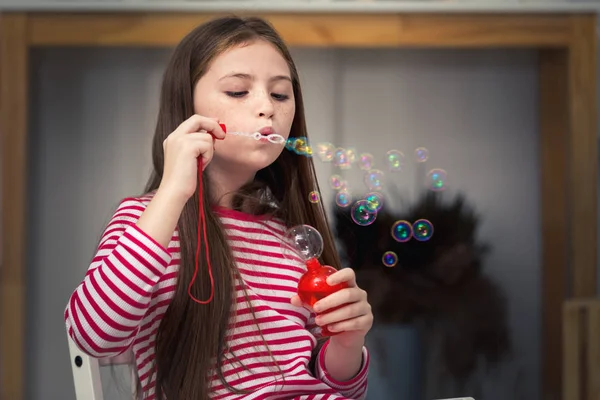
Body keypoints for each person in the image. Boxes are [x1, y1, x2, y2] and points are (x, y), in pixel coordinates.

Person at [65, 15, 373, 400]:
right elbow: (93, 334)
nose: (267, 107)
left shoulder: (291, 237)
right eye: (238, 91)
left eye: (280, 94)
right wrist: (174, 192)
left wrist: (347, 344)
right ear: (186, 107)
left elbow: (341, 389)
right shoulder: (147, 222)